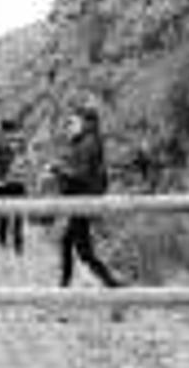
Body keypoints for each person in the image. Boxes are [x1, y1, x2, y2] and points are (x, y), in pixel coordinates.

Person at [49, 104, 123, 290]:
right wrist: (61, 168)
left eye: (73, 122)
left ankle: (113, 286)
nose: (69, 125)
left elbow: (81, 174)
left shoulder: (89, 143)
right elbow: (76, 168)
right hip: (79, 198)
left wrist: (59, 170)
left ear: (85, 122)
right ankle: (66, 285)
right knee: (70, 242)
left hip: (83, 199)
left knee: (83, 251)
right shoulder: (84, 141)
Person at [0, 119, 26, 255]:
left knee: (3, 211)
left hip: (3, 181)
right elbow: (27, 160)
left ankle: (2, 239)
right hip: (19, 181)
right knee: (18, 213)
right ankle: (18, 242)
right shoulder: (22, 141)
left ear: (1, 128)